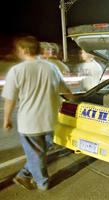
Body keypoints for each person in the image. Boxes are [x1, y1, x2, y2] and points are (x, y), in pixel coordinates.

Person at [2, 36, 72, 191]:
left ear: (25, 50)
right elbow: (65, 90)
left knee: (37, 154)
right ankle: (24, 175)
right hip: (50, 120)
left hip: (29, 123)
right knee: (40, 152)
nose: (17, 52)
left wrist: (6, 119)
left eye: (19, 49)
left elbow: (10, 99)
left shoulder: (17, 71)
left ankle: (42, 183)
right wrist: (77, 101)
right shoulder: (51, 68)